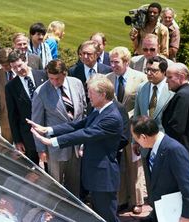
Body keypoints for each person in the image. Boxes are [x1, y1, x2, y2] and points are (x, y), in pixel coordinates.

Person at [28, 74, 123, 222]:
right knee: (98, 215)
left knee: (107, 217)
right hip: (95, 174)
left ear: (103, 94)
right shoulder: (99, 110)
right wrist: (49, 130)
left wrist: (52, 142)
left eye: (91, 93)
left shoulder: (111, 117)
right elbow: (77, 124)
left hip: (104, 177)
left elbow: (85, 134)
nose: (88, 97)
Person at [31, 59, 86, 196]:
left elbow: (83, 111)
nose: (54, 82)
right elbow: (37, 123)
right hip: (55, 148)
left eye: (58, 79)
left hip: (76, 144)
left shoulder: (77, 84)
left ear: (65, 73)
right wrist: (41, 149)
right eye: (51, 79)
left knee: (74, 184)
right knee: (55, 187)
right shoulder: (41, 92)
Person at [131, 116, 189, 222]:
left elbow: (188, 186)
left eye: (135, 138)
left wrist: (187, 216)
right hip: (162, 209)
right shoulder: (153, 148)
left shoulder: (174, 150)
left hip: (175, 212)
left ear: (143, 137)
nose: (135, 141)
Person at [106, 46, 147, 213]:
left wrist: (127, 117)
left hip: (133, 128)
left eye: (116, 62)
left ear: (126, 62)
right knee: (119, 164)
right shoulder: (108, 78)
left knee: (135, 165)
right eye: (111, 62)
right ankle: (121, 199)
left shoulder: (140, 78)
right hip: (116, 131)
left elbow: (142, 104)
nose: (113, 66)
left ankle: (137, 200)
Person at [132, 56, 174, 212]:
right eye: (147, 70)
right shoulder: (142, 88)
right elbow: (137, 115)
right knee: (149, 181)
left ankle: (165, 213)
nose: (149, 73)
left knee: (164, 181)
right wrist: (135, 141)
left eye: (153, 70)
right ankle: (154, 211)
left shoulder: (171, 90)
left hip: (164, 144)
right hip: (144, 145)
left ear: (163, 72)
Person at [5, 49, 47, 164]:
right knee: (32, 169)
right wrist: (17, 140)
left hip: (47, 130)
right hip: (28, 136)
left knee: (50, 168)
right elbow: (12, 115)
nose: (18, 70)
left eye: (19, 65)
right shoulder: (11, 87)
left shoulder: (43, 75)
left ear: (26, 61)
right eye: (14, 68)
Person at [162, 62, 189, 174]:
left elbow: (176, 127)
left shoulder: (181, 96)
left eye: (170, 77)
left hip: (182, 153)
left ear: (181, 77)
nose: (166, 81)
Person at [68, 40, 112, 112]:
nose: (85, 56)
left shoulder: (107, 71)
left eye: (89, 54)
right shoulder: (73, 72)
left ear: (97, 55)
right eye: (83, 53)